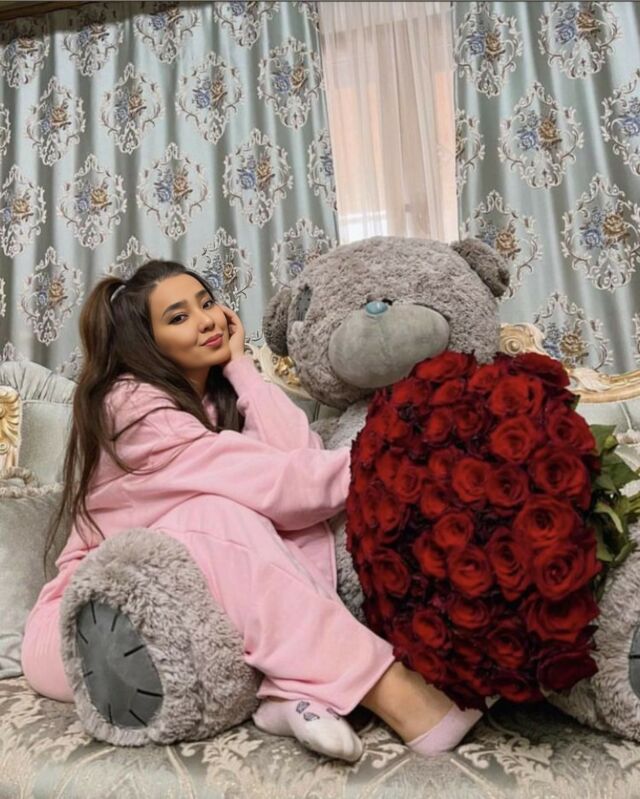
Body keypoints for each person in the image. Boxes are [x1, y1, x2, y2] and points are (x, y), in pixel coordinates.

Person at [21, 259, 490, 762]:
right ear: (146, 343)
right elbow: (288, 488)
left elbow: (296, 462)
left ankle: (287, 698)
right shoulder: (130, 408)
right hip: (93, 628)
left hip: (196, 626)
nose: (206, 320)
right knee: (216, 515)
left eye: (206, 303)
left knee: (273, 524)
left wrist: (241, 367)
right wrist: (401, 459)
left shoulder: (214, 403)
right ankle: (396, 694)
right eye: (178, 317)